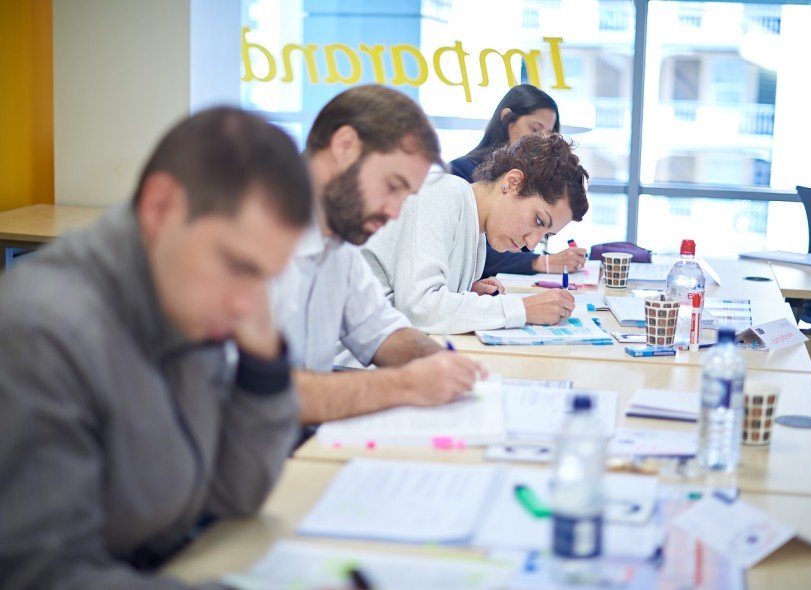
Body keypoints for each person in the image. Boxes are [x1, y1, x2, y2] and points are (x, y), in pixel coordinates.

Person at [0, 108, 312, 589]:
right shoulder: (43, 330)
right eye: (237, 265)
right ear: (160, 208)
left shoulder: (184, 300)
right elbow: (46, 577)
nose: (246, 304)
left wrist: (264, 365)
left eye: (265, 278)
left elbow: (232, 495)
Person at [269, 84, 483, 425]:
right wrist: (403, 384)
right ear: (345, 146)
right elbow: (264, 394)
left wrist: (444, 364)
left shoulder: (338, 242)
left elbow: (383, 332)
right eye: (392, 186)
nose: (395, 212)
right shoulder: (254, 237)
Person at [362, 131, 590, 335]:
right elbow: (420, 308)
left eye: (545, 235)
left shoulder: (475, 227)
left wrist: (463, 295)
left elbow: (416, 296)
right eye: (538, 220)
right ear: (512, 183)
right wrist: (524, 309)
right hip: (354, 366)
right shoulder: (443, 193)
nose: (530, 245)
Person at [449, 84, 587, 277]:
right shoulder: (457, 178)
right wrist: (542, 262)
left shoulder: (528, 193)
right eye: (535, 128)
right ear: (507, 119)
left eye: (549, 134)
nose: (541, 140)